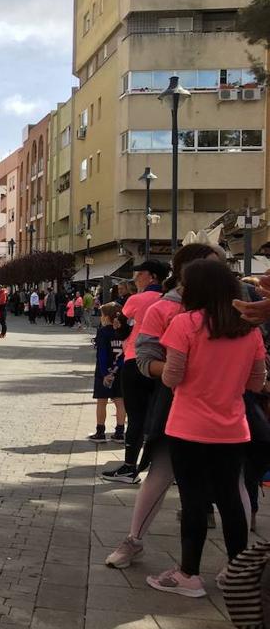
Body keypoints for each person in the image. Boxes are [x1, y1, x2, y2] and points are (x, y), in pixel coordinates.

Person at [104, 243, 227, 568]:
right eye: (203, 267)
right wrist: (184, 368)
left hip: (227, 406)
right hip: (178, 401)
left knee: (235, 478)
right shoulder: (167, 308)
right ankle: (134, 541)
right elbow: (147, 360)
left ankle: (239, 563)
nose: (211, 275)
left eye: (216, 267)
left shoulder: (235, 307)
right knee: (162, 469)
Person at [148, 259, 265, 597]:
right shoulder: (249, 329)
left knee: (194, 500)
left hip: (188, 428)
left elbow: (173, 377)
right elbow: (257, 382)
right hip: (232, 428)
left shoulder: (185, 324)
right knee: (230, 499)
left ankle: (189, 575)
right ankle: (237, 572)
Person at [103, 259, 169, 484]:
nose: (135, 279)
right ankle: (165, 469)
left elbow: (119, 326)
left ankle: (130, 467)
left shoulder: (137, 299)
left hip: (136, 360)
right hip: (165, 364)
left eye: (138, 275)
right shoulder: (171, 300)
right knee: (162, 416)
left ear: (151, 276)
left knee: (137, 416)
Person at [88, 303, 126, 443]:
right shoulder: (124, 331)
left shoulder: (103, 332)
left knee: (101, 402)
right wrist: (116, 369)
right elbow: (125, 353)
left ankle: (100, 432)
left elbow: (102, 354)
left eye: (102, 315)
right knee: (120, 401)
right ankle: (120, 432)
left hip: (104, 372)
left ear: (106, 317)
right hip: (120, 371)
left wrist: (105, 373)